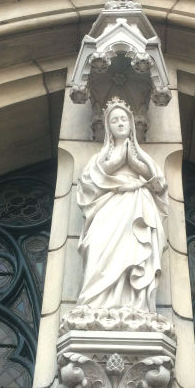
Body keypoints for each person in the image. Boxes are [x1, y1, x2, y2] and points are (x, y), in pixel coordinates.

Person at [76, 97, 168, 313]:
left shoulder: (142, 157)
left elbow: (159, 184)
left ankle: (135, 304)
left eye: (123, 119)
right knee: (98, 245)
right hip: (108, 207)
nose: (119, 123)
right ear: (108, 127)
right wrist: (118, 160)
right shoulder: (100, 158)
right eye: (114, 120)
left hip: (136, 205)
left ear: (131, 124)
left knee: (135, 251)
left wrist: (134, 163)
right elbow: (88, 183)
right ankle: (95, 303)